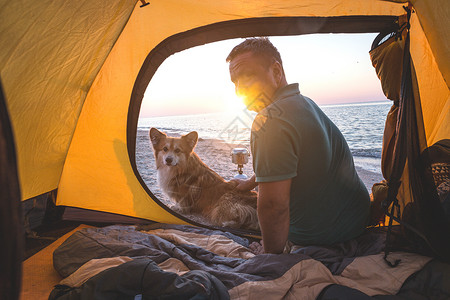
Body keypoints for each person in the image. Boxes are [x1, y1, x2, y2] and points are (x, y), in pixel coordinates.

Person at [226, 37, 370, 254]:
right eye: (235, 82)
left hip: (323, 238)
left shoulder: (270, 121)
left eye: (247, 76)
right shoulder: (302, 102)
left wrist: (269, 255)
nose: (239, 91)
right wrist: (250, 182)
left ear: (276, 71)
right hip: (358, 221)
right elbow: (295, 162)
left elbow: (274, 208)